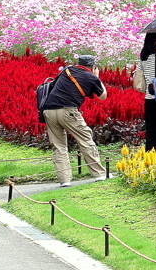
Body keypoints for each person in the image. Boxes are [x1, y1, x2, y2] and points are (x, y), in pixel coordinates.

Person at [40, 54, 108, 187]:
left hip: (48, 110)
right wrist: (97, 77)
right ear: (93, 66)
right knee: (85, 140)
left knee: (58, 146)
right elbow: (103, 97)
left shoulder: (68, 70)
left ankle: (64, 180)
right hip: (68, 111)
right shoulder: (91, 77)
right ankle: (99, 174)